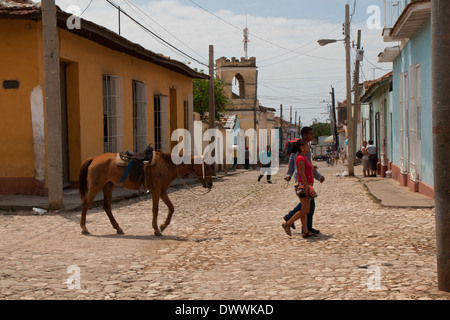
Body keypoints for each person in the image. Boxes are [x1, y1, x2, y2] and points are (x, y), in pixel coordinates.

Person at [283, 127, 325, 233]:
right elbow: (297, 166)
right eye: (311, 134)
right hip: (302, 182)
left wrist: (315, 172)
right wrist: (290, 174)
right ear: (305, 135)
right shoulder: (301, 147)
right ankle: (291, 221)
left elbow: (307, 165)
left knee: (306, 206)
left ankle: (305, 229)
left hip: (303, 181)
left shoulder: (304, 147)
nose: (312, 136)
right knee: (307, 207)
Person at [282, 139, 317, 238]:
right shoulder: (300, 158)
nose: (308, 147)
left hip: (306, 185)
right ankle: (287, 224)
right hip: (302, 185)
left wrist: (312, 168)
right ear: (301, 147)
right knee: (305, 210)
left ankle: (305, 231)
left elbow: (306, 170)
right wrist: (306, 187)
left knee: (305, 209)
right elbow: (301, 173)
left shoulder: (304, 157)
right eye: (306, 145)